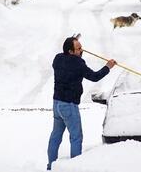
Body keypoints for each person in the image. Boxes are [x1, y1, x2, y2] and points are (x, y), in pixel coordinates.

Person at [47, 36, 116, 170]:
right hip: (69, 106)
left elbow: (65, 58)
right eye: (78, 49)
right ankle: (75, 168)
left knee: (56, 136)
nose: (82, 50)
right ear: (71, 51)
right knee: (76, 137)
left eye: (81, 47)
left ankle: (50, 166)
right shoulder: (78, 64)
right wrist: (108, 66)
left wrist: (74, 42)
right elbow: (95, 77)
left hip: (57, 104)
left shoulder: (57, 59)